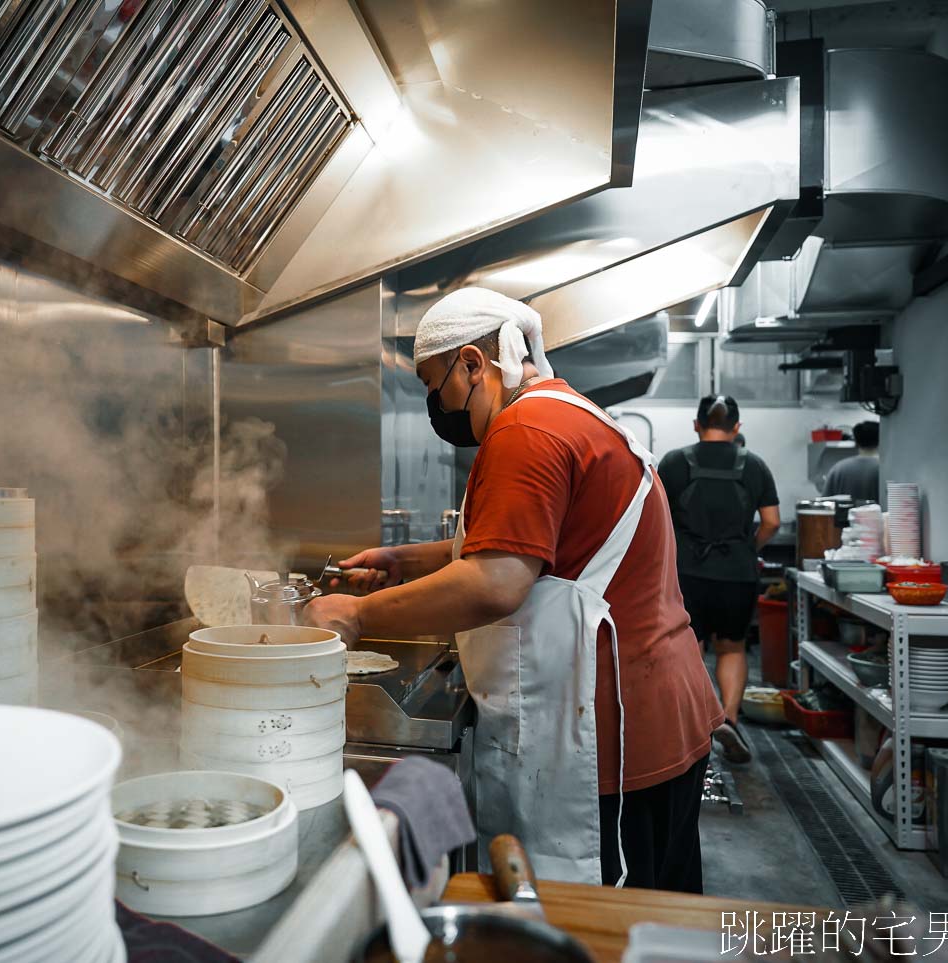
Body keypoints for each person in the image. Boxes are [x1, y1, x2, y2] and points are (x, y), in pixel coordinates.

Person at [303, 287, 723, 892]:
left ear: (474, 364)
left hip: (619, 728)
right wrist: (404, 560)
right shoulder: (565, 411)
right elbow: (533, 551)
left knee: (612, 926)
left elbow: (497, 582)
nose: (434, 402)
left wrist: (356, 613)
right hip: (660, 707)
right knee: (662, 920)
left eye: (434, 383)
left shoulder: (525, 429)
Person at [658, 397, 780, 764]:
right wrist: (746, 547)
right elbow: (772, 521)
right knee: (732, 647)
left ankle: (695, 722)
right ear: (737, 428)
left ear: (696, 424)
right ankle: (729, 716)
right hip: (737, 574)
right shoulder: (754, 464)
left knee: (687, 646)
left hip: (687, 574)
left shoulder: (676, 462)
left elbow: (655, 516)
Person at [822, 421, 880, 502]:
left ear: (856, 442)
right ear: (880, 440)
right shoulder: (884, 468)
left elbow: (825, 501)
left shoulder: (839, 468)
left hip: (844, 514)